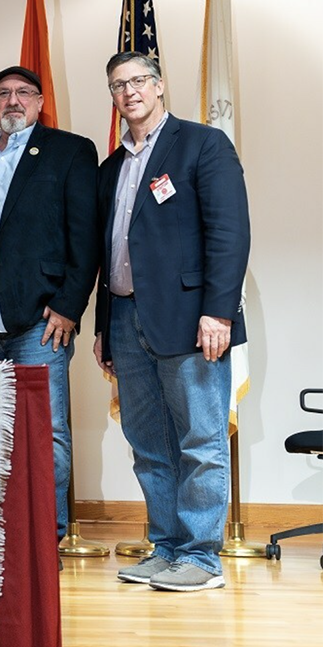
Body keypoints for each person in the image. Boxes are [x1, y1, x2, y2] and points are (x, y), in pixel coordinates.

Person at [95, 51, 250, 592]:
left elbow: (229, 234)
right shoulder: (112, 166)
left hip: (191, 320)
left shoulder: (203, 144)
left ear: (159, 87)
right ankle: (167, 548)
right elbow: (107, 251)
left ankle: (202, 559)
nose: (128, 91)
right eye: (118, 85)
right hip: (126, 319)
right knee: (149, 444)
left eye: (138, 81)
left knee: (200, 440)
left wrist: (218, 311)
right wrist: (102, 327)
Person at [0, 66, 99, 544]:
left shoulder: (70, 151)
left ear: (39, 102)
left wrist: (69, 306)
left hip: (38, 321)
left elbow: (85, 237)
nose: (12, 101)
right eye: (2, 94)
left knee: (46, 432)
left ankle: (45, 538)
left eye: (23, 93)